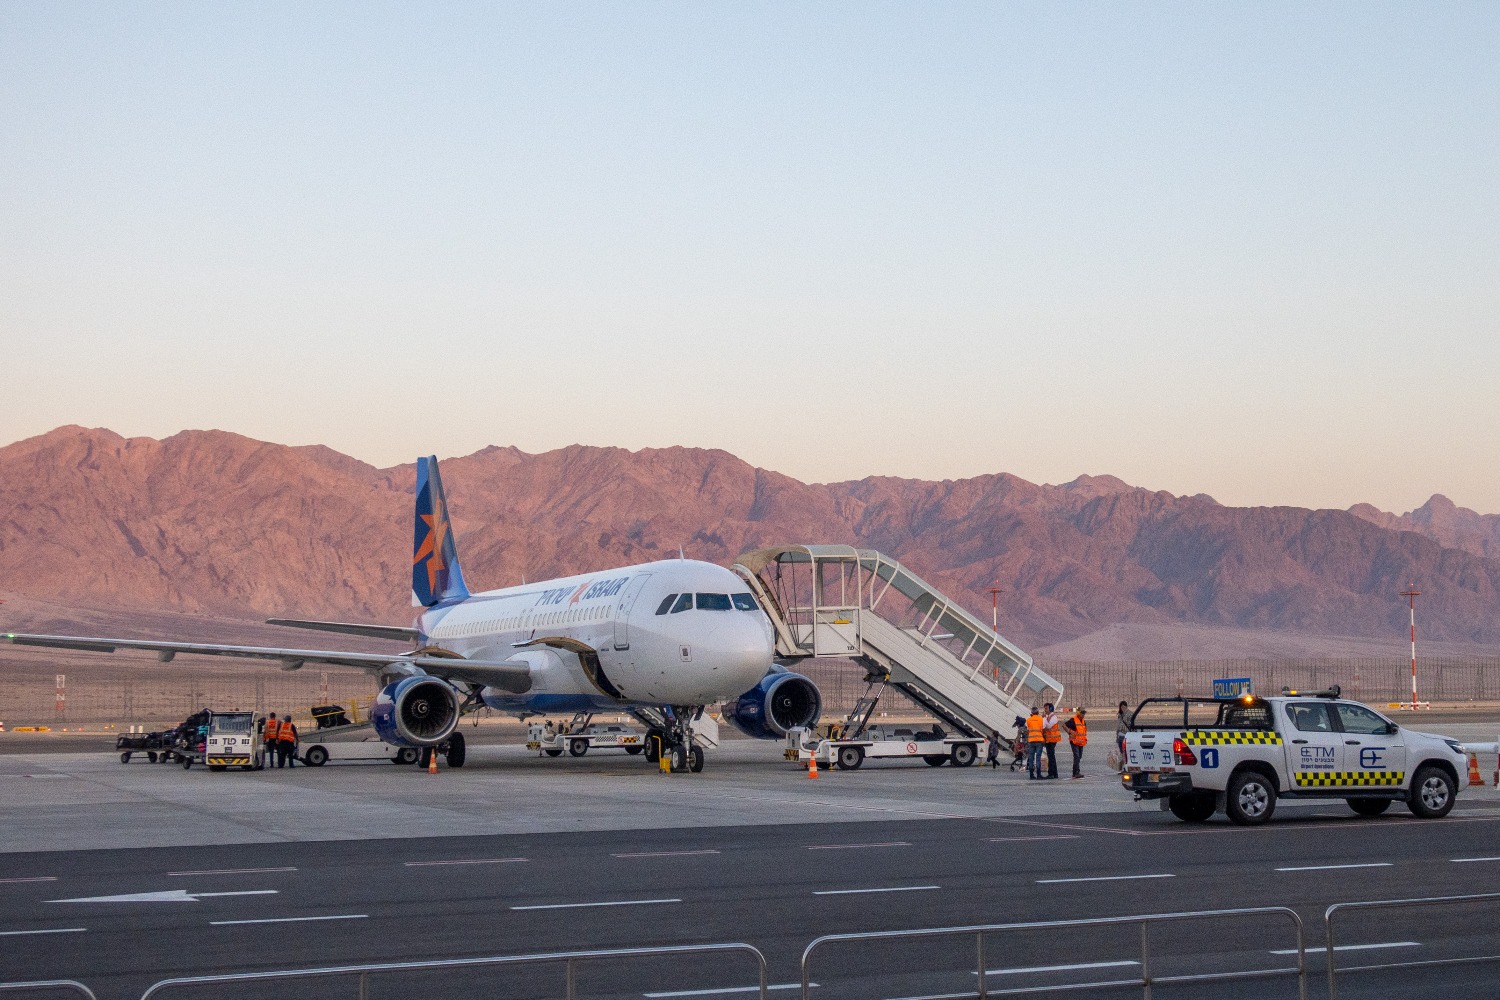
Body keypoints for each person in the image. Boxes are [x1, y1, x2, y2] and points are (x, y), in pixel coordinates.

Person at [1064, 707, 1088, 779]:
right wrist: (1069, 732)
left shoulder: (1083, 721)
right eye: (1082, 713)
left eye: (1084, 713)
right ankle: (1076, 772)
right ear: (1078, 713)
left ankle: (1075, 771)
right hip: (1074, 741)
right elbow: (1064, 725)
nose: (1083, 714)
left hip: (1080, 742)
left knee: (1079, 757)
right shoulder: (1073, 720)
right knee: (1077, 756)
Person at [1042, 702, 1061, 779]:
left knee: (1051, 757)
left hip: (1052, 739)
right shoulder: (1048, 717)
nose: (1045, 710)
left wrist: (1043, 719)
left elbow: (1048, 726)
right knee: (1051, 756)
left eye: (1046, 708)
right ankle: (1055, 773)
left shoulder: (1053, 717)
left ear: (1050, 709)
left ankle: (1051, 773)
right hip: (1049, 739)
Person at [1024, 707, 1044, 779]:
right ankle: (1039, 775)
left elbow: (1028, 729)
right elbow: (1042, 729)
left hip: (1031, 740)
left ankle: (1031, 775)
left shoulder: (1028, 720)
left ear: (1031, 712)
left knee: (1031, 758)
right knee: (1038, 758)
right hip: (1039, 740)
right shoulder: (1040, 719)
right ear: (1038, 712)